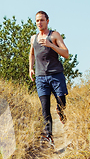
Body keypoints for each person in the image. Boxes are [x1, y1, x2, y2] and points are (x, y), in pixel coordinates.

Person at [29, 10, 69, 147]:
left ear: (47, 21)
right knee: (45, 108)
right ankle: (49, 136)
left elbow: (66, 54)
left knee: (61, 104)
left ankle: (63, 119)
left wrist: (51, 45)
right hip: (41, 78)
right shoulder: (33, 38)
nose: (39, 23)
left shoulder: (54, 35)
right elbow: (32, 53)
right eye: (37, 21)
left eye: (42, 20)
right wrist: (31, 68)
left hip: (56, 75)